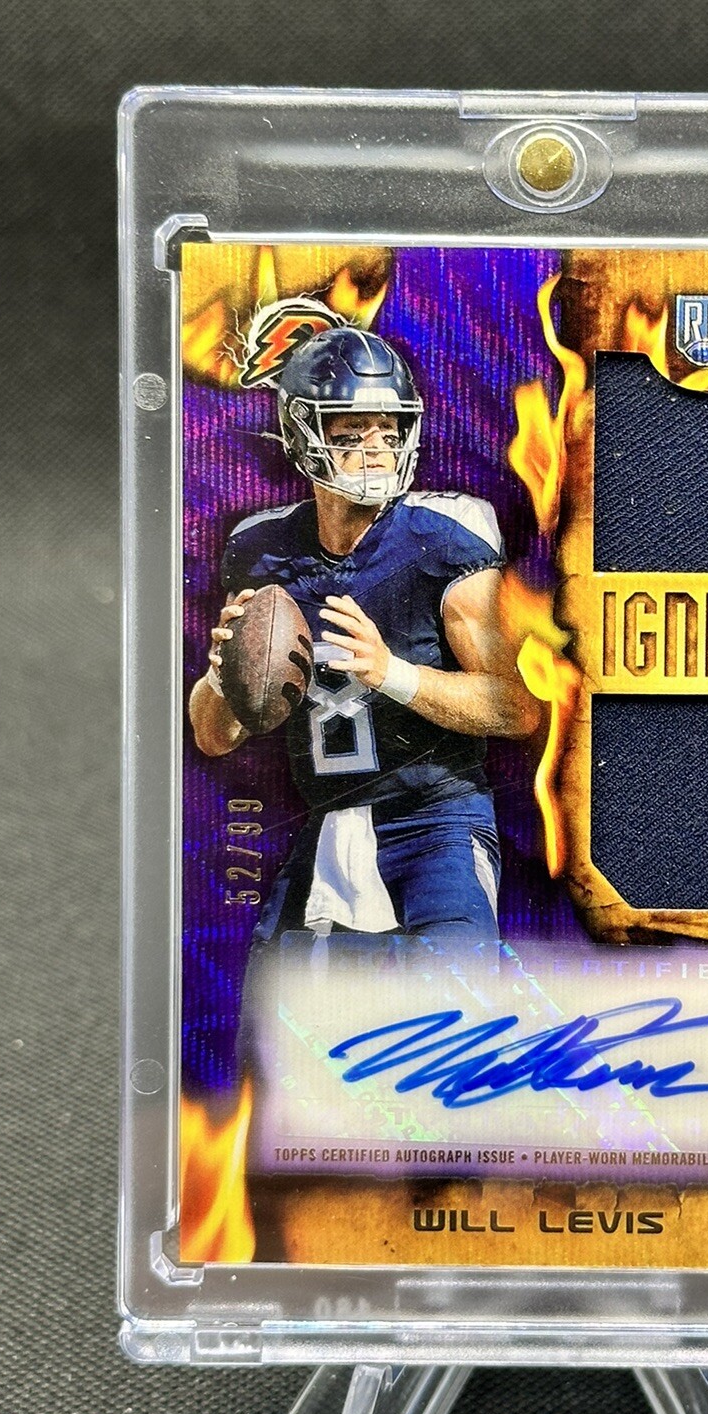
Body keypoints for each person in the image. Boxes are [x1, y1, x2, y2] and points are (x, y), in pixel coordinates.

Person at [189, 323, 539, 955]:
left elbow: (517, 706)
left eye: (390, 432)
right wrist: (223, 675)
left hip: (435, 823)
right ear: (303, 433)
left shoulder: (443, 538)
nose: (377, 451)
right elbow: (214, 737)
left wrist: (390, 672)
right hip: (324, 826)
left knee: (461, 993)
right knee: (274, 1010)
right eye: (352, 433)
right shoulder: (262, 549)